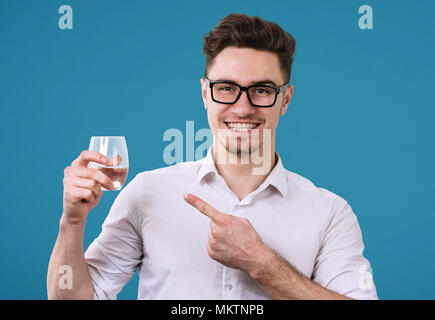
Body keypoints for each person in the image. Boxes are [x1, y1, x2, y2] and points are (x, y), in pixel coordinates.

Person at [47, 13, 378, 300]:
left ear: (285, 99)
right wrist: (72, 223)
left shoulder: (330, 213)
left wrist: (262, 263)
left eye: (262, 90)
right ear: (206, 93)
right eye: (226, 88)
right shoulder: (146, 192)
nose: (243, 108)